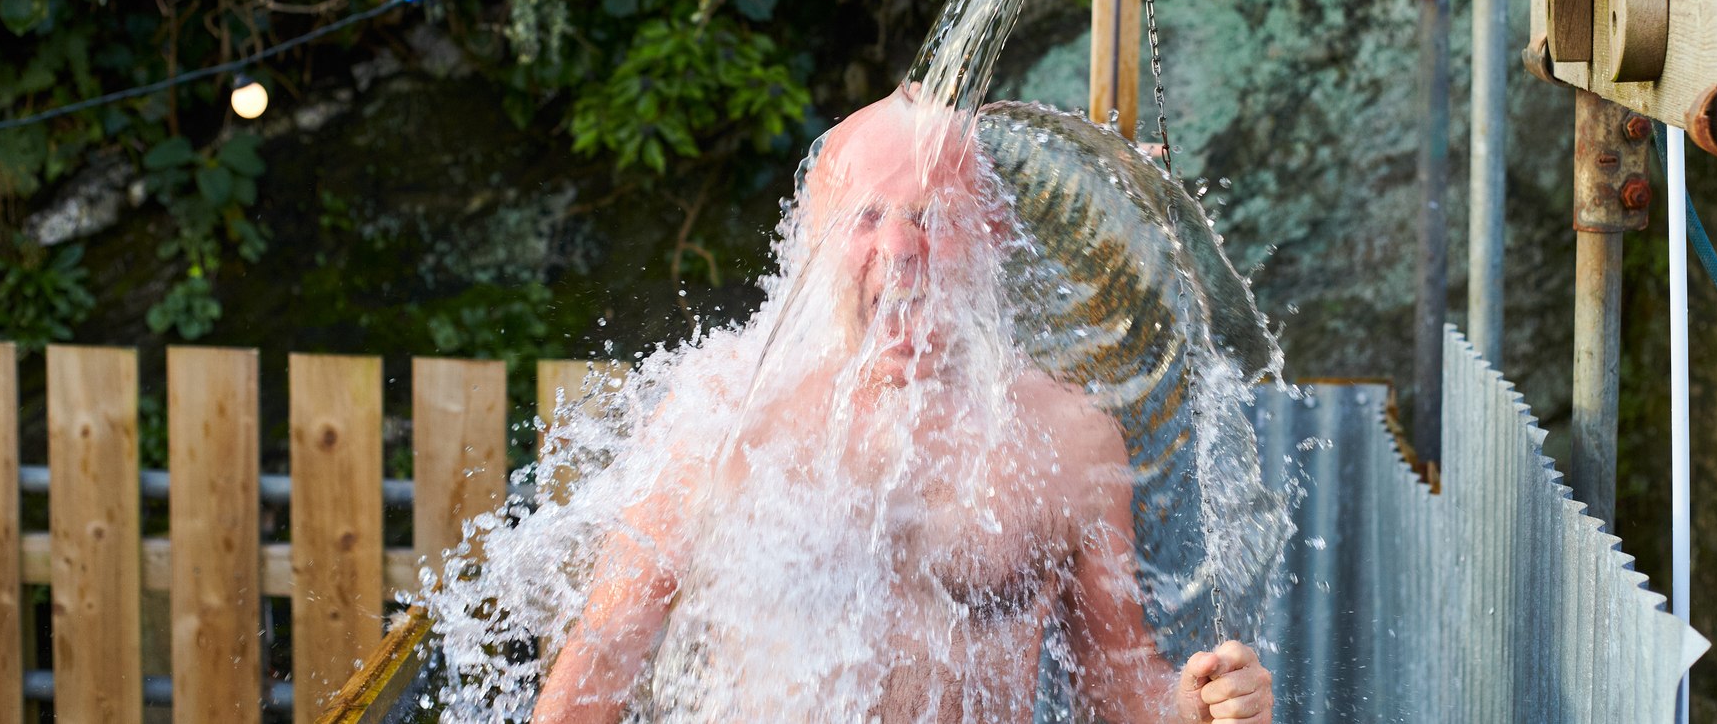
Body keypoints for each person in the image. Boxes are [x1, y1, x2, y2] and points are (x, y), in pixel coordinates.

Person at [531, 90, 1273, 723]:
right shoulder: (726, 411)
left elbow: (1113, 678)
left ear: (994, 234)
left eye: (934, 216)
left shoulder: (1068, 439)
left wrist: (1191, 706)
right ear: (811, 237)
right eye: (863, 216)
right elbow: (602, 654)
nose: (897, 247)